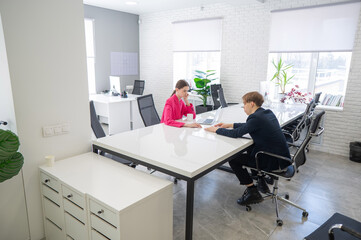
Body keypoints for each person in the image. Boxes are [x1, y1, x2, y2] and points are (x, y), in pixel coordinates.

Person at [205, 91, 291, 206]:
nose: (243, 107)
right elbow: (248, 126)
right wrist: (230, 125)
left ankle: (252, 192)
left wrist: (216, 130)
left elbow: (236, 134)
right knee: (251, 148)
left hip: (274, 161)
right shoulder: (266, 113)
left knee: (234, 159)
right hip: (283, 158)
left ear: (252, 104)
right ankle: (261, 179)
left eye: (244, 104)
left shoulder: (255, 118)